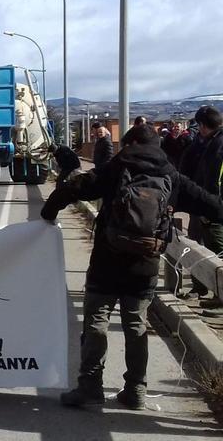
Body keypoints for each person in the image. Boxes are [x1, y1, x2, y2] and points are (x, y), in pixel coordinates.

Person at [42, 125, 223, 410]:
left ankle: (90, 388)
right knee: (136, 326)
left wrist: (48, 214)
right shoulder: (171, 176)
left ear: (133, 142)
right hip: (144, 266)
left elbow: (73, 188)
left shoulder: (116, 168)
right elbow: (212, 205)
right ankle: (136, 389)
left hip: (106, 262)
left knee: (95, 322)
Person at [187, 106, 223, 301]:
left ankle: (220, 297)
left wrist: (209, 208)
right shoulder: (210, 142)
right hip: (206, 205)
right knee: (205, 247)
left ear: (202, 125)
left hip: (213, 209)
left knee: (217, 252)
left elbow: (214, 180)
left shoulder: (218, 145)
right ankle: (207, 289)